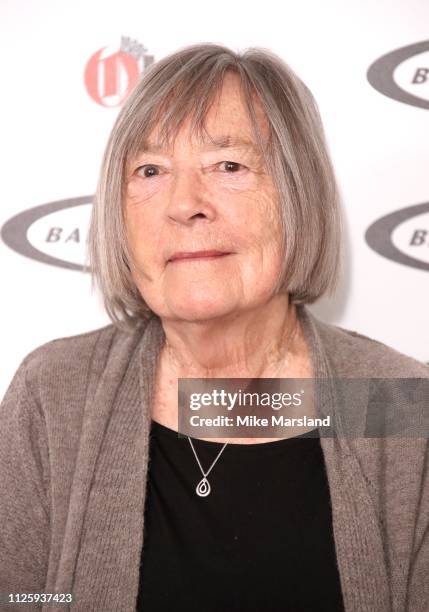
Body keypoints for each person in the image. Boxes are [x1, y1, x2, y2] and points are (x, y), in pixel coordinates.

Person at [0, 43, 428, 612]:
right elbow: (21, 597)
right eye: (149, 170)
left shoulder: (396, 403)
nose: (185, 204)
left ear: (297, 195)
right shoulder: (54, 394)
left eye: (229, 165)